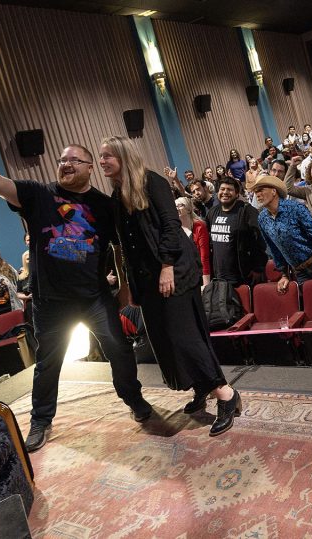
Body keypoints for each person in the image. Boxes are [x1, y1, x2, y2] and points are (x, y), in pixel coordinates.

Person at [0, 137, 151, 451]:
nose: (65, 164)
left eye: (73, 160)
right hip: (50, 302)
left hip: (93, 297)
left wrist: (123, 287)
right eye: (61, 160)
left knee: (119, 351)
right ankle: (41, 421)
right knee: (48, 364)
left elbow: (118, 249)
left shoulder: (105, 206)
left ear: (90, 168)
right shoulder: (38, 195)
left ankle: (134, 400)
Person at [99, 136, 242, 436]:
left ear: (124, 156)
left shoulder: (152, 182)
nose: (102, 162)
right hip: (147, 281)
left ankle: (226, 395)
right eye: (100, 157)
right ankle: (201, 386)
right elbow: (126, 245)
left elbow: (170, 226)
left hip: (174, 271)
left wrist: (166, 267)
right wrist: (133, 287)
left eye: (107, 156)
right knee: (165, 340)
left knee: (185, 337)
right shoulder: (115, 195)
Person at [205, 176, 268, 285]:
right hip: (219, 278)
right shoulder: (212, 212)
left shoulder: (247, 211)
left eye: (229, 189)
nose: (225, 192)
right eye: (222, 189)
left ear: (237, 193)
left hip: (243, 276)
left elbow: (260, 240)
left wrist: (258, 268)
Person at [175, 195, 211, 286]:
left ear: (188, 209)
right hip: (182, 274)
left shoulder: (199, 226)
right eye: (175, 206)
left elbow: (204, 257)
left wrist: (206, 284)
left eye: (180, 205)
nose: (177, 208)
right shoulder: (174, 228)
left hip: (198, 273)